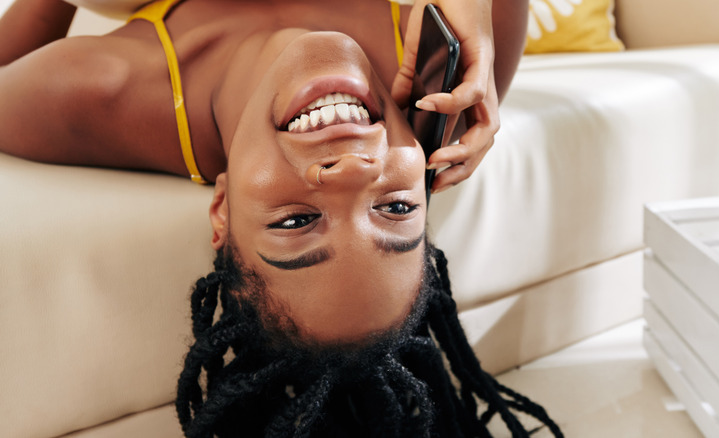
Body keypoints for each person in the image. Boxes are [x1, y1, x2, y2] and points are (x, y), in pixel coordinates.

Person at [0, 0, 563, 436]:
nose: (350, 171)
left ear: (222, 210)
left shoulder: (102, 90)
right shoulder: (454, 75)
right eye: (395, 209)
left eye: (297, 223)